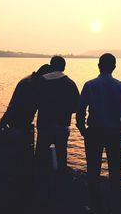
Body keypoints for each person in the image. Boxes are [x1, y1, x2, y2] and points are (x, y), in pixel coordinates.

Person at [76, 53, 121, 214]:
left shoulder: (90, 85)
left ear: (99, 65)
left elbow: (80, 111)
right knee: (115, 169)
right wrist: (120, 132)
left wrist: (83, 131)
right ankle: (118, 205)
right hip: (114, 132)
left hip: (94, 132)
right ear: (114, 67)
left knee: (93, 170)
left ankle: (95, 205)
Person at [0, 64, 52, 213]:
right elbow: (14, 106)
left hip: (22, 124)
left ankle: (19, 187)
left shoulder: (30, 81)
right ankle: (19, 192)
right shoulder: (29, 85)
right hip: (18, 125)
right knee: (20, 157)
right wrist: (2, 122)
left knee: (21, 157)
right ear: (44, 76)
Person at [35, 56, 79, 184]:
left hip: (44, 125)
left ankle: (40, 182)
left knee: (41, 155)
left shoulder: (41, 82)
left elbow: (35, 102)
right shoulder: (70, 83)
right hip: (62, 126)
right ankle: (60, 181)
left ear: (51, 65)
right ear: (64, 67)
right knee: (61, 154)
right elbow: (76, 106)